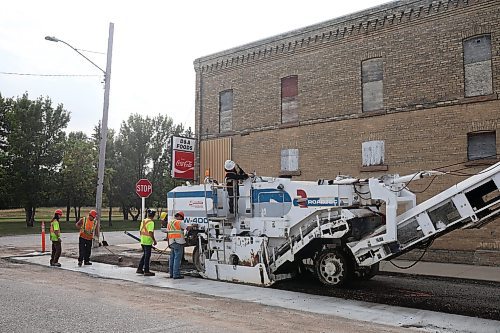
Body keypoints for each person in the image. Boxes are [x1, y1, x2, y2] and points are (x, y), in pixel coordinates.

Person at [167, 211, 191, 279]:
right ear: (180, 216)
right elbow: (187, 228)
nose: (182, 219)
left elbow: (168, 233)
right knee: (177, 259)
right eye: (182, 218)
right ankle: (176, 274)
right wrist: (193, 226)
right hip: (178, 242)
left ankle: (171, 274)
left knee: (172, 258)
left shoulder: (170, 223)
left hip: (171, 242)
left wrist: (168, 242)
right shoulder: (179, 222)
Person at [136, 209, 157, 276]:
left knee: (145, 255)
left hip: (143, 240)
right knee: (147, 256)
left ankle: (139, 269)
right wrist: (154, 240)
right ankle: (146, 271)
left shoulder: (143, 221)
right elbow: (150, 232)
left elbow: (140, 231)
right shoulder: (151, 222)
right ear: (153, 215)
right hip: (148, 241)